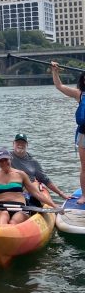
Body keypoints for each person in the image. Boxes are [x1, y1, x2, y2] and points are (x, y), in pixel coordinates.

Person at [0, 124, 70, 201]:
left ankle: (29, 206)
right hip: (10, 187)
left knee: (34, 186)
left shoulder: (33, 162)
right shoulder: (6, 157)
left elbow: (46, 180)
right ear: (13, 144)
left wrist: (61, 194)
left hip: (28, 190)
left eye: (23, 143)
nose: (20, 145)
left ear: (26, 145)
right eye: (18, 143)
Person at [0, 148, 57, 225]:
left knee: (13, 221)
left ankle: (5, 232)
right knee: (4, 214)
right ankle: (1, 232)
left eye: (6, 159)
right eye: (1, 161)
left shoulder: (21, 174)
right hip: (0, 208)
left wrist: (54, 205)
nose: (4, 163)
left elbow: (36, 193)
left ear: (10, 159)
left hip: (20, 208)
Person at [51, 61, 85, 203]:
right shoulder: (80, 94)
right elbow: (60, 86)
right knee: (84, 167)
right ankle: (84, 195)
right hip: (84, 134)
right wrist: (55, 71)